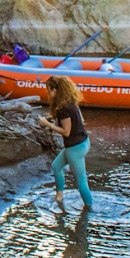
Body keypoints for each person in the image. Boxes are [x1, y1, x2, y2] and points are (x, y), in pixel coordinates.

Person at [38, 75, 93, 211]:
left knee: (81, 180)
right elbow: (80, 118)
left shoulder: (63, 108)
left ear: (56, 90)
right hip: (83, 142)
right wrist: (53, 117)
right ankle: (59, 197)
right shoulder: (71, 101)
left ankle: (89, 208)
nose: (48, 93)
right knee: (56, 166)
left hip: (75, 148)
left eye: (49, 90)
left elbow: (66, 132)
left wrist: (47, 124)